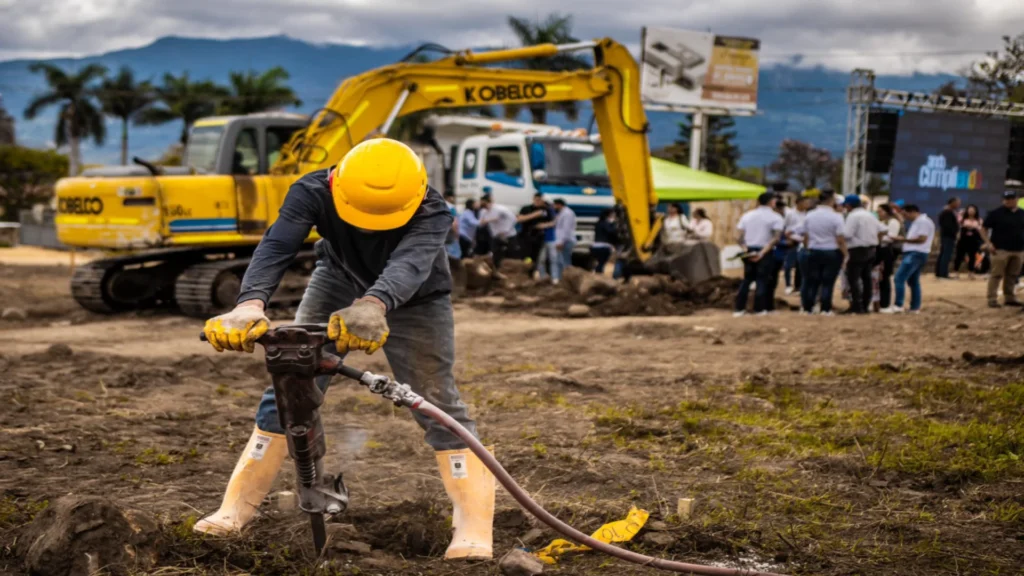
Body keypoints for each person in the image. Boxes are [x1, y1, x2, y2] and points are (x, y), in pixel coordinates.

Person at [196, 138, 493, 560]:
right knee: (292, 375)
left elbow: (407, 265)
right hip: (337, 279)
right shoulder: (312, 190)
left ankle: (473, 525)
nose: (371, 225)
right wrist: (249, 303)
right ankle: (235, 509)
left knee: (437, 399)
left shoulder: (433, 210)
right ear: (336, 184)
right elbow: (278, 245)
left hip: (416, 298)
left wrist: (373, 305)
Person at [733, 192, 785, 316]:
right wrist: (761, 253)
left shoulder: (747, 215)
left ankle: (739, 309)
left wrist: (746, 250)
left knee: (747, 279)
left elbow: (737, 236)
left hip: (749, 249)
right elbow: (776, 238)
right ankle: (759, 308)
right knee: (762, 280)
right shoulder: (775, 217)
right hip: (765, 250)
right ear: (771, 202)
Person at [797, 190, 847, 316]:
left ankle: (808, 308)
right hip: (831, 251)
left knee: (812, 281)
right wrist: (846, 254)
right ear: (831, 200)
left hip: (813, 250)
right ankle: (825, 308)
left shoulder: (810, 215)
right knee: (828, 281)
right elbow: (840, 238)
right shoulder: (836, 217)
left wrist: (808, 248)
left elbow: (805, 235)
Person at [886, 204, 934, 314]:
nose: (905, 217)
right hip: (915, 253)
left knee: (899, 277)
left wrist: (903, 239)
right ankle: (915, 307)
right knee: (913, 281)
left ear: (912, 211)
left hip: (916, 253)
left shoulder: (923, 222)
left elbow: (922, 239)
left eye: (905, 214)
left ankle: (899, 305)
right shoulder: (917, 222)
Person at [979, 190, 1024, 308]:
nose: (1008, 201)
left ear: (1016, 199)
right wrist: (988, 243)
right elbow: (983, 228)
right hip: (1000, 249)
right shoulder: (996, 213)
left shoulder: (1022, 213)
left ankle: (1009, 297)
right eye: (1006, 199)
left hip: (1019, 250)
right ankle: (992, 298)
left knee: (1013, 275)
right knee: (996, 274)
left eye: (1010, 198)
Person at [842, 194, 884, 314]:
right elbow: (883, 229)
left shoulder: (853, 216)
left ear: (849, 205)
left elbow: (847, 234)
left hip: (857, 250)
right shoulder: (870, 215)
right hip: (871, 249)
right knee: (866, 279)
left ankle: (856, 306)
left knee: (853, 279)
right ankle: (865, 306)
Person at [478, 194, 518, 273]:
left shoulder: (500, 209)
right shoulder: (483, 212)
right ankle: (497, 272)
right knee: (496, 256)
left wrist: (506, 230)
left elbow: (513, 218)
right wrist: (489, 220)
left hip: (508, 235)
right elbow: (481, 223)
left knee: (511, 254)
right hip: (496, 236)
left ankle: (511, 273)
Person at [518, 194, 554, 275]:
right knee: (526, 256)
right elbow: (520, 219)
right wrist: (535, 215)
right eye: (537, 200)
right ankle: (525, 271)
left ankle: (533, 272)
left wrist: (544, 225)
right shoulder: (526, 208)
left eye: (540, 200)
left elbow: (553, 222)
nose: (538, 202)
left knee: (536, 257)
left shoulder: (546, 210)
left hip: (539, 236)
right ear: (533, 199)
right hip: (526, 236)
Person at [876, 203, 901, 313]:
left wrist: (878, 237)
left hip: (886, 251)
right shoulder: (880, 222)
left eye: (880, 211)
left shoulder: (893, 222)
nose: (879, 213)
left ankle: (885, 304)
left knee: (884, 277)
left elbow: (891, 237)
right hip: (878, 250)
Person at [783, 196, 810, 295]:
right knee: (788, 265)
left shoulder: (807, 214)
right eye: (805, 202)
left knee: (800, 265)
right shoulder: (790, 213)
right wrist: (788, 238)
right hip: (793, 240)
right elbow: (785, 227)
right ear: (799, 203)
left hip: (803, 241)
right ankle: (788, 285)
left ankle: (798, 286)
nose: (806, 205)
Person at [551, 199, 577, 283]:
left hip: (566, 241)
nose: (553, 207)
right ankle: (560, 279)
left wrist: (561, 242)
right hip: (562, 241)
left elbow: (566, 229)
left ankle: (567, 281)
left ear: (559, 205)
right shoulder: (562, 213)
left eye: (554, 205)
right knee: (559, 261)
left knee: (565, 263)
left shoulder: (567, 213)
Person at [954, 204, 983, 279]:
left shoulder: (979, 220)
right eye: (969, 210)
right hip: (963, 240)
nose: (971, 212)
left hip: (973, 241)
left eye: (973, 210)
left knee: (972, 257)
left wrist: (973, 227)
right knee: (959, 256)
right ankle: (956, 272)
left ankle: (971, 272)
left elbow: (980, 229)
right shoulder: (962, 219)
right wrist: (961, 213)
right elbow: (957, 218)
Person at [935, 197, 961, 279]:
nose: (958, 204)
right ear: (952, 203)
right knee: (946, 255)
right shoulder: (947, 212)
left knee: (943, 254)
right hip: (948, 236)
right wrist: (955, 233)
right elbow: (948, 226)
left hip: (946, 236)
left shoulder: (948, 212)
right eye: (957, 202)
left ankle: (939, 272)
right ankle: (943, 273)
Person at [591, 208, 619, 274]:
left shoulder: (598, 223)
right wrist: (614, 225)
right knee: (601, 263)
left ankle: (597, 273)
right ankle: (599, 274)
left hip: (595, 246)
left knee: (600, 262)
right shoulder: (606, 224)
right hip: (603, 246)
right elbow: (611, 232)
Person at [443, 192, 461, 260]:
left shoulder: (439, 205)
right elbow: (454, 222)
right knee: (454, 255)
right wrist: (456, 233)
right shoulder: (451, 207)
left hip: (442, 233)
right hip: (451, 233)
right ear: (449, 197)